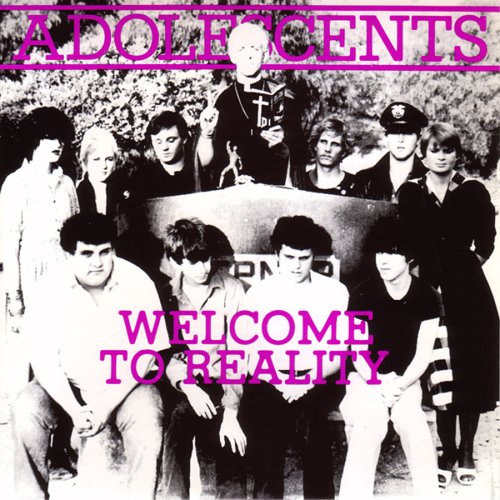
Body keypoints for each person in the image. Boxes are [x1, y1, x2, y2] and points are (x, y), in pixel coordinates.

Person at [11, 212, 170, 499]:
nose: (97, 262)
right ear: (69, 255)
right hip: (67, 386)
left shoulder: (138, 283)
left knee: (147, 415)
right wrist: (74, 409)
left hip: (124, 385)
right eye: (86, 254)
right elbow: (43, 360)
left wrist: (106, 404)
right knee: (26, 407)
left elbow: (146, 355)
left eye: (104, 252)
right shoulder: (49, 287)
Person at [398, 123, 499, 488]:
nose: (441, 156)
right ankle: (447, 450)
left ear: (457, 153)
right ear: (422, 154)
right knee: (439, 371)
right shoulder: (411, 192)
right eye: (434, 150)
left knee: (470, 371)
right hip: (430, 292)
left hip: (470, 295)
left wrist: (462, 271)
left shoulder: (472, 190)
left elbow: (486, 242)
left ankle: (468, 451)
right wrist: (426, 278)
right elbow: (405, 240)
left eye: (448, 149)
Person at [239, 215, 349, 499]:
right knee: (266, 435)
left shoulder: (334, 292)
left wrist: (305, 382)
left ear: (314, 256)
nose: (296, 265)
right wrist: (281, 382)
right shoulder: (258, 294)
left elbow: (338, 354)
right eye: (289, 257)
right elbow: (250, 354)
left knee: (314, 430)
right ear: (277, 254)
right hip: (270, 378)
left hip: (318, 377)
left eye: (304, 257)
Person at [339, 219, 441, 499]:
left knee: (413, 423)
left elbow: (422, 355)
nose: (383, 260)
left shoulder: (427, 296)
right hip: (365, 377)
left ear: (409, 257)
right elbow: (357, 352)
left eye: (393, 253)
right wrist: (377, 382)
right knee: (369, 424)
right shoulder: (362, 293)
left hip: (405, 380)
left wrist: (399, 384)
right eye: (380, 252)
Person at [162, 219, 247, 499]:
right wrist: (189, 387)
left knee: (231, 436)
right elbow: (168, 352)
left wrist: (231, 410)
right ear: (176, 261)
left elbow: (238, 351)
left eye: (207, 259)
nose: (203, 268)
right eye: (193, 261)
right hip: (186, 384)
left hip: (227, 382)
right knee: (178, 420)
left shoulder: (232, 288)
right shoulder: (167, 296)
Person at [197, 23, 306, 188]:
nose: (249, 56)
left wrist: (284, 143)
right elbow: (204, 163)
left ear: (265, 55)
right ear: (232, 56)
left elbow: (300, 157)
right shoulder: (220, 101)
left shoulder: (285, 98)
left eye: (254, 49)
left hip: (274, 190)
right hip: (231, 191)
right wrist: (207, 134)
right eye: (241, 49)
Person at [355, 102, 428, 202]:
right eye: (394, 132)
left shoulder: (432, 181)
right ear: (386, 136)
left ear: (418, 138)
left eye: (408, 132)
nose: (400, 139)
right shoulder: (364, 180)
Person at [131, 110, 200, 200]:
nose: (164, 147)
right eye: (158, 142)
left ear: (184, 139)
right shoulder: (142, 178)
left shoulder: (198, 170)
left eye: (171, 140)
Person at [77, 126, 129, 218]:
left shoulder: (123, 192)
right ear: (84, 161)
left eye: (109, 159)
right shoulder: (77, 193)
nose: (103, 166)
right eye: (96, 159)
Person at [298, 117, 358, 197]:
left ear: (344, 151)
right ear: (315, 146)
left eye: (335, 144)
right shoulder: (299, 182)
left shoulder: (354, 185)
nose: (327, 149)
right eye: (323, 142)